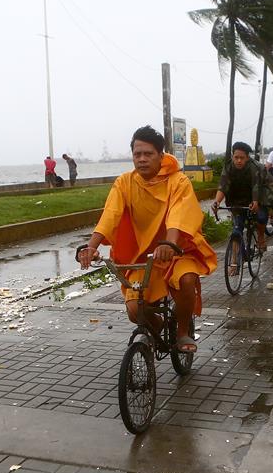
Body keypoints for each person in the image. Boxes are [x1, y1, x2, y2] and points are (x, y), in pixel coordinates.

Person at [77, 126, 217, 353]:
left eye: (148, 154)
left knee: (187, 281)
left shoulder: (178, 181)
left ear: (161, 156)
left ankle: (182, 332)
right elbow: (110, 215)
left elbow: (179, 216)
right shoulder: (124, 182)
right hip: (143, 256)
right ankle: (158, 328)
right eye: (137, 154)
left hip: (177, 250)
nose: (141, 159)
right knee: (135, 310)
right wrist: (91, 247)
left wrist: (169, 244)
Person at [211, 141, 268, 254]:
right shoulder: (228, 167)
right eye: (236, 157)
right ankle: (234, 261)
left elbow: (256, 186)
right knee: (237, 230)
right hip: (237, 202)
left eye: (242, 158)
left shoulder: (254, 167)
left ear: (247, 158)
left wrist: (255, 202)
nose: (239, 161)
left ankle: (261, 236)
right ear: (232, 156)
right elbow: (223, 186)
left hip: (255, 198)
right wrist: (216, 202)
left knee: (261, 218)